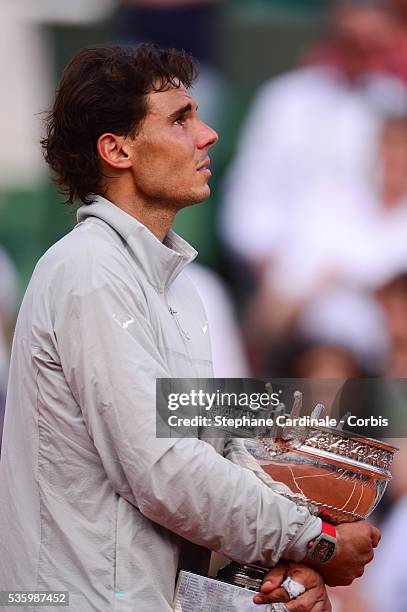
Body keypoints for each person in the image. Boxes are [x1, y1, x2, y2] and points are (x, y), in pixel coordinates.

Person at [0, 44, 379, 611]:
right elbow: (164, 471)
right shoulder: (89, 270)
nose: (208, 135)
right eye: (180, 119)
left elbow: (211, 458)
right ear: (118, 148)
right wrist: (314, 541)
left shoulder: (177, 286)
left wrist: (289, 566)